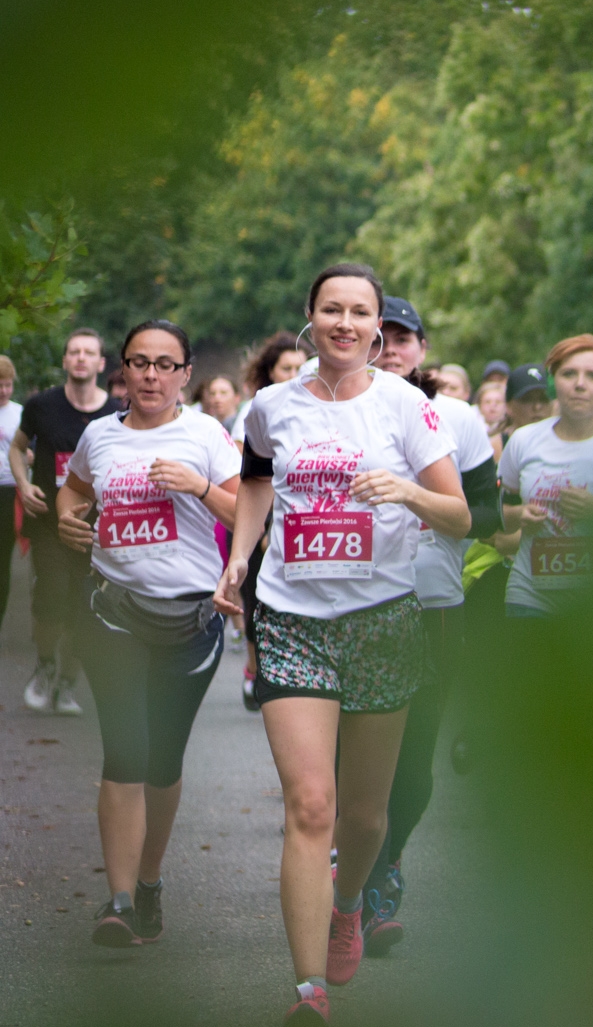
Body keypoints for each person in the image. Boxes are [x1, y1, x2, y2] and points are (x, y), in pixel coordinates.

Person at [213, 263, 469, 1024]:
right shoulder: (271, 406)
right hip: (290, 616)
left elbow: (458, 515)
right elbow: (255, 480)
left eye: (361, 313)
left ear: (378, 327)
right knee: (310, 803)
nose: (346, 324)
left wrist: (407, 491)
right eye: (333, 309)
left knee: (362, 816)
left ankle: (348, 902)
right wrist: (240, 555)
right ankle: (308, 989)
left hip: (382, 622)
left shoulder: (407, 406)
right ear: (311, 315)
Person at [55, 320, 240, 947]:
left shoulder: (207, 434)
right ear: (124, 371)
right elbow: (73, 492)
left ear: (186, 374)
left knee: (163, 762)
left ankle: (150, 879)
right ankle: (121, 901)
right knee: (125, 751)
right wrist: (68, 521)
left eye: (165, 365)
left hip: (190, 622)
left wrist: (200, 486)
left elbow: (250, 512)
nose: (152, 375)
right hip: (114, 613)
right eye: (140, 363)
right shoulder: (99, 435)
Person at [358, 296, 499, 954]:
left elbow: (487, 515)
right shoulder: (335, 411)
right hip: (350, 607)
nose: (389, 348)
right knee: (353, 763)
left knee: (414, 771)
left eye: (402, 337)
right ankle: (358, 887)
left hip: (432, 605)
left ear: (422, 348)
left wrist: (419, 500)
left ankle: (385, 861)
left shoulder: (459, 418)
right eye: (379, 336)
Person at [13, 328, 118, 715]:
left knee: (84, 608)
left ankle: (67, 684)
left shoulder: (116, 413)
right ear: (65, 360)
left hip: (96, 528)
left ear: (101, 363)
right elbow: (17, 448)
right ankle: (44, 666)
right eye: (74, 351)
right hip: (49, 522)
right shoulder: (41, 405)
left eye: (89, 352)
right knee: (52, 598)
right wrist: (24, 484)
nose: (80, 358)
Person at [500, 334, 593, 618]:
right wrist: (518, 514)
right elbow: (496, 516)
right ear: (552, 382)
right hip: (530, 596)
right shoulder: (523, 441)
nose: (579, 384)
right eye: (569, 374)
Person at [234, 332, 311, 710]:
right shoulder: (260, 409)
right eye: (287, 368)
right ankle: (255, 668)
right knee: (256, 597)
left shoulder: (322, 408)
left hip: (306, 525)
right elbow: (247, 473)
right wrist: (264, 528)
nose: (295, 374)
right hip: (262, 517)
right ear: (270, 372)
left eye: (301, 367)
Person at [0, 356, 22, 632]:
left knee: (2, 557)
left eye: (7, 385)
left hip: (8, 491)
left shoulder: (20, 414)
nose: (4, 390)